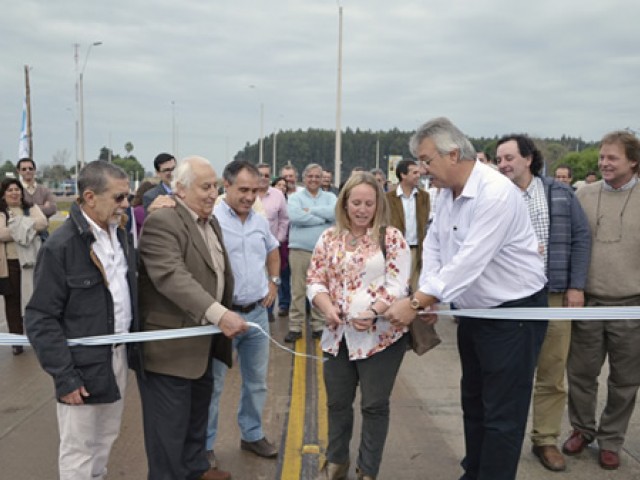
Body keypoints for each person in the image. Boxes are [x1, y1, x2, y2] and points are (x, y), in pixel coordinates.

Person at [385, 117, 548, 480]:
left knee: (502, 412)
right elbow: (436, 245)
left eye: (427, 160)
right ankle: (474, 471)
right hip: (475, 311)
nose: (423, 170)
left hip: (513, 314)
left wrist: (415, 303)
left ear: (453, 153)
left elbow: (470, 260)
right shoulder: (445, 194)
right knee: (474, 402)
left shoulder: (496, 193)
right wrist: (428, 296)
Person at [24, 161, 138, 479]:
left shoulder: (121, 235)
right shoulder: (60, 247)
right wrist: (65, 376)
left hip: (116, 356)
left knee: (104, 441)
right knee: (79, 450)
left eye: (127, 196)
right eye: (118, 197)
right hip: (81, 367)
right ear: (90, 197)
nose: (126, 204)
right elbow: (40, 317)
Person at [137, 156, 248, 480]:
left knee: (195, 420)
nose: (214, 193)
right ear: (181, 190)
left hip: (203, 344)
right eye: (206, 186)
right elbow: (172, 276)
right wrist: (219, 314)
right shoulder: (163, 221)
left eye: (215, 186)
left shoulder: (209, 220)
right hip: (171, 350)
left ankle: (196, 469)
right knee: (168, 435)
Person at [497, 134, 591, 472]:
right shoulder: (494, 197)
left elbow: (581, 238)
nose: (503, 165)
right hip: (508, 298)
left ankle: (545, 439)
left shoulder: (560, 193)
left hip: (552, 295)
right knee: (508, 373)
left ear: (528, 159)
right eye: (499, 160)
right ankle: (504, 439)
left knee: (551, 373)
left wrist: (576, 286)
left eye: (509, 158)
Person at [309, 172, 410, 480]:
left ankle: (367, 470)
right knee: (337, 403)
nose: (362, 209)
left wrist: (373, 311)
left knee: (374, 406)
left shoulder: (391, 237)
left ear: (379, 204)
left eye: (369, 203)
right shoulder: (329, 237)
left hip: (381, 338)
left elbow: (397, 283)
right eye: (356, 202)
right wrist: (326, 307)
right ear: (345, 203)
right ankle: (336, 464)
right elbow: (315, 280)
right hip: (338, 337)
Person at [562, 131, 640, 471]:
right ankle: (582, 429)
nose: (604, 163)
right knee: (581, 373)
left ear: (633, 161)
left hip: (632, 305)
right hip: (588, 302)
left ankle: (611, 439)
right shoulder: (583, 195)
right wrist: (573, 288)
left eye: (612, 158)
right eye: (602, 157)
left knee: (625, 380)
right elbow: (572, 246)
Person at [206, 160, 280, 467]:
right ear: (227, 185)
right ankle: (205, 444)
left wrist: (273, 283)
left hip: (257, 316)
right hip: (223, 317)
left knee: (257, 381)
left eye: (256, 190)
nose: (250, 197)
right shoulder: (211, 219)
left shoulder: (259, 221)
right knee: (215, 383)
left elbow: (273, 251)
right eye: (244, 190)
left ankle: (252, 435)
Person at [284, 163, 336, 343]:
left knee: (321, 290)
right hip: (299, 250)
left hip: (323, 252)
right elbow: (295, 216)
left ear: (322, 179)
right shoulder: (295, 198)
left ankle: (319, 325)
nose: (313, 179)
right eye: (310, 176)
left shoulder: (330, 197)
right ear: (304, 178)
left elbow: (335, 214)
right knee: (298, 290)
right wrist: (324, 218)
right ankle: (295, 326)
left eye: (317, 176)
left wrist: (311, 211)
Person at [0, 178, 47, 355]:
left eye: (17, 189)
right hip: (10, 264)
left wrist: (16, 226)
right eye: (10, 190)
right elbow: (1, 234)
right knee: (12, 303)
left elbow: (43, 223)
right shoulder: (1, 211)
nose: (14, 193)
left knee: (34, 301)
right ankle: (16, 340)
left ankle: (37, 337)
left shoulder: (31, 207)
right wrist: (26, 227)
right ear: (4, 194)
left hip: (31, 263)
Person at [385, 159, 430, 293]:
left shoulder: (424, 197)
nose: (418, 175)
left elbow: (426, 222)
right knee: (399, 287)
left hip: (418, 249)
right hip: (397, 249)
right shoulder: (388, 198)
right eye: (414, 172)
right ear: (403, 175)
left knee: (416, 289)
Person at [256, 163, 289, 322]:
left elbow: (284, 220)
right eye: (260, 174)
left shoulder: (277, 195)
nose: (263, 178)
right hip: (252, 247)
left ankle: (268, 311)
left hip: (271, 246)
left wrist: (279, 239)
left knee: (272, 278)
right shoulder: (249, 193)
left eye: (266, 175)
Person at [272, 177, 291, 316]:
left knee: (284, 274)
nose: (282, 188)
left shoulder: (289, 201)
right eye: (279, 185)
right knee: (271, 276)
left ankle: (284, 303)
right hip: (270, 242)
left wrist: (280, 238)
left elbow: (286, 220)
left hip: (283, 243)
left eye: (284, 186)